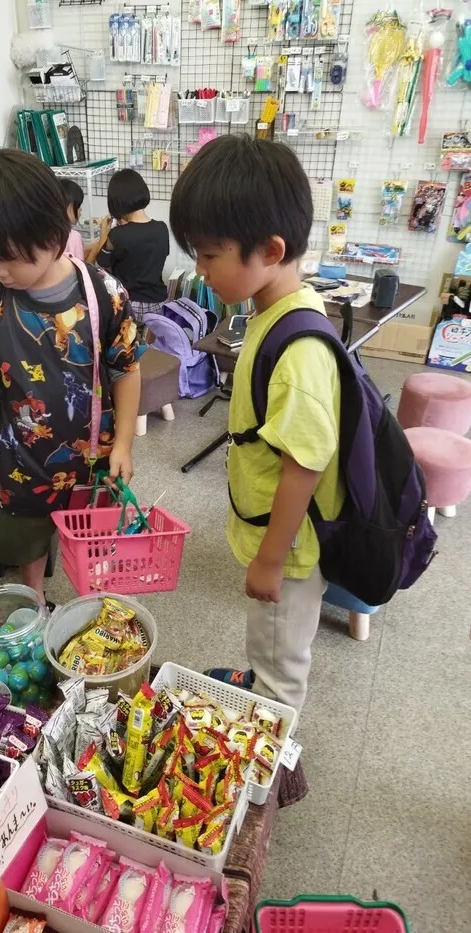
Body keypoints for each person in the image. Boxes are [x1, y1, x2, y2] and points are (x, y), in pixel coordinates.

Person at [169, 135, 344, 716]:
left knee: (280, 662)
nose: (200, 269)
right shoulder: (275, 309)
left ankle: (271, 763)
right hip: (278, 536)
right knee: (268, 640)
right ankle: (261, 690)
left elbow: (307, 463)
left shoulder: (297, 354)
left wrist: (271, 558)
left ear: (269, 250)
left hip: (290, 550)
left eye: (210, 254)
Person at [0, 149, 144, 601]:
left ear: (54, 233)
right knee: (26, 545)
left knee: (94, 543)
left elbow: (126, 369)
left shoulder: (104, 292)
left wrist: (123, 441)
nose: (0, 271)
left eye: (10, 258)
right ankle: (36, 598)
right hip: (18, 464)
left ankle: (92, 604)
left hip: (92, 460)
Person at [87, 169, 169, 323]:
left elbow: (100, 265)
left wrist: (104, 234)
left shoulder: (117, 235)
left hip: (130, 303)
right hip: (159, 302)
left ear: (116, 203)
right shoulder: (162, 228)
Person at [59, 178, 85, 261]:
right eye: (78, 206)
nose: (80, 210)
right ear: (69, 207)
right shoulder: (74, 237)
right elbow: (81, 268)